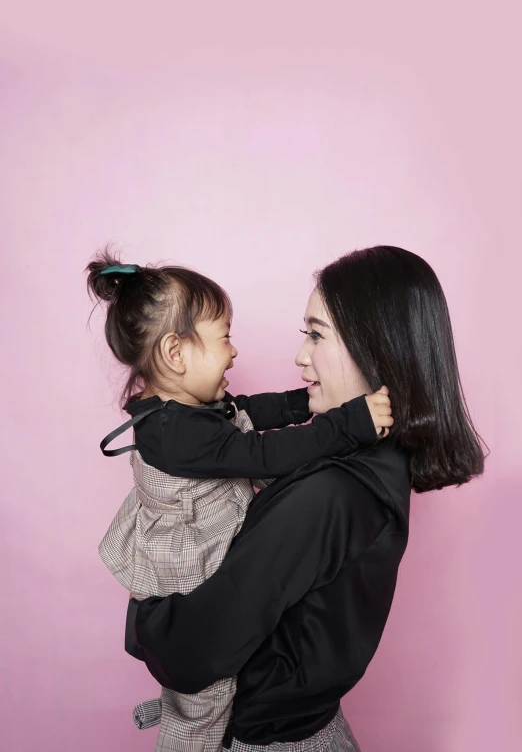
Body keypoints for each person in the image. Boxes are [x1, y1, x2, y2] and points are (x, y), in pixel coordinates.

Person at [129, 245, 485, 752]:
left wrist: (143, 608)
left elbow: (191, 655)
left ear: (376, 347)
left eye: (316, 334)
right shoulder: (372, 466)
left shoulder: (330, 494)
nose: (300, 356)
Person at [86, 251, 393, 752]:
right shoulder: (172, 433)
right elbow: (259, 453)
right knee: (208, 690)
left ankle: (178, 704)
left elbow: (246, 412)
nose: (233, 353)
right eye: (224, 337)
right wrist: (345, 423)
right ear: (176, 354)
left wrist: (301, 402)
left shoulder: (189, 410)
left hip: (208, 542)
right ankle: (186, 725)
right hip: (187, 564)